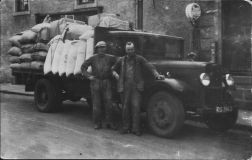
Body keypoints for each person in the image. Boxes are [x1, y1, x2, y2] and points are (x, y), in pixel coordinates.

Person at [112, 42, 165, 136]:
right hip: (124, 86)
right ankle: (125, 127)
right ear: (126, 50)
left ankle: (135, 129)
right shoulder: (122, 60)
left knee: (136, 107)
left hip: (136, 86)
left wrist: (157, 74)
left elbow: (149, 66)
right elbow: (113, 69)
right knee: (125, 108)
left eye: (132, 49)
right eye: (128, 50)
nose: (130, 51)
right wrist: (117, 76)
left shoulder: (139, 58)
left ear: (134, 49)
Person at [81, 41, 117, 130]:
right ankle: (97, 123)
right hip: (96, 82)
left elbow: (120, 61)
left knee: (109, 103)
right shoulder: (93, 58)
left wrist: (114, 70)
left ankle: (110, 123)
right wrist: (89, 76)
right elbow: (83, 67)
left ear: (106, 48)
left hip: (107, 82)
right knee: (96, 104)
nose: (102, 49)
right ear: (97, 49)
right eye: (100, 48)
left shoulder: (110, 58)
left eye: (103, 47)